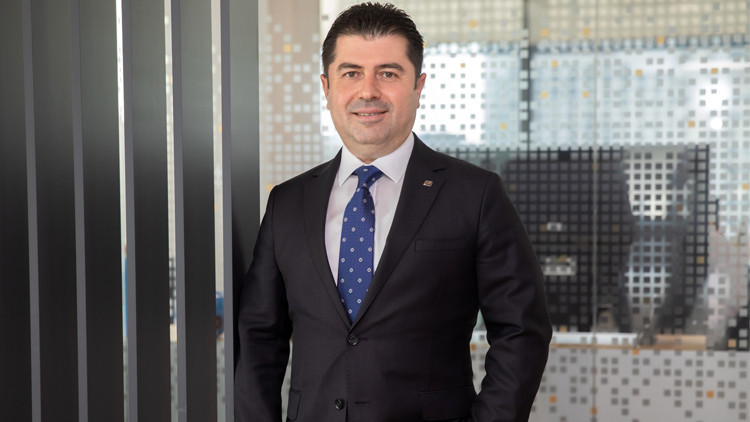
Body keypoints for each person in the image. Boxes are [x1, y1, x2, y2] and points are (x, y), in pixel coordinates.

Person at [235, 2, 552, 421]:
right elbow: (259, 339)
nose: (368, 91)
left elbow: (521, 331)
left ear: (418, 87)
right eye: (351, 73)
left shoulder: (475, 194)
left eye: (388, 73)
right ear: (326, 88)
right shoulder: (287, 203)